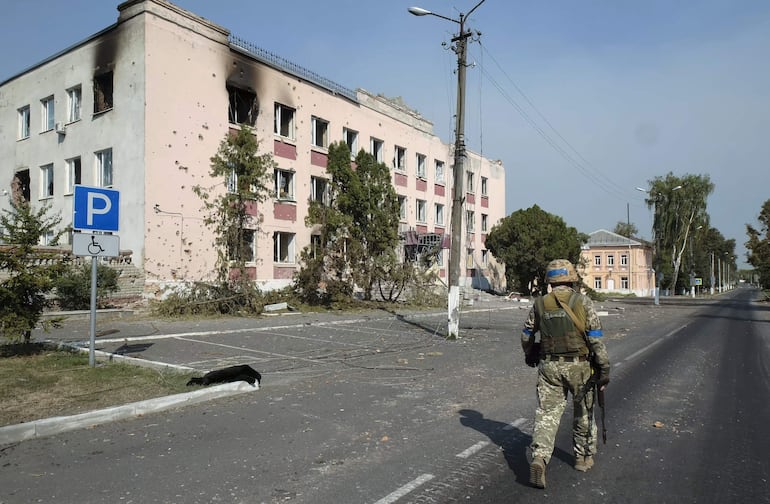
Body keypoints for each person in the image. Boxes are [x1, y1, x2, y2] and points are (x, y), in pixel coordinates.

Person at [520, 259, 610, 489]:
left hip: (549, 367)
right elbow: (596, 339)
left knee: (547, 414)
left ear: (550, 281)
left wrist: (530, 353)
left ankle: (540, 457)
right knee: (583, 412)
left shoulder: (540, 304)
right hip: (579, 367)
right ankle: (582, 458)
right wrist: (604, 369)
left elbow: (526, 335)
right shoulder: (583, 302)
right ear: (571, 279)